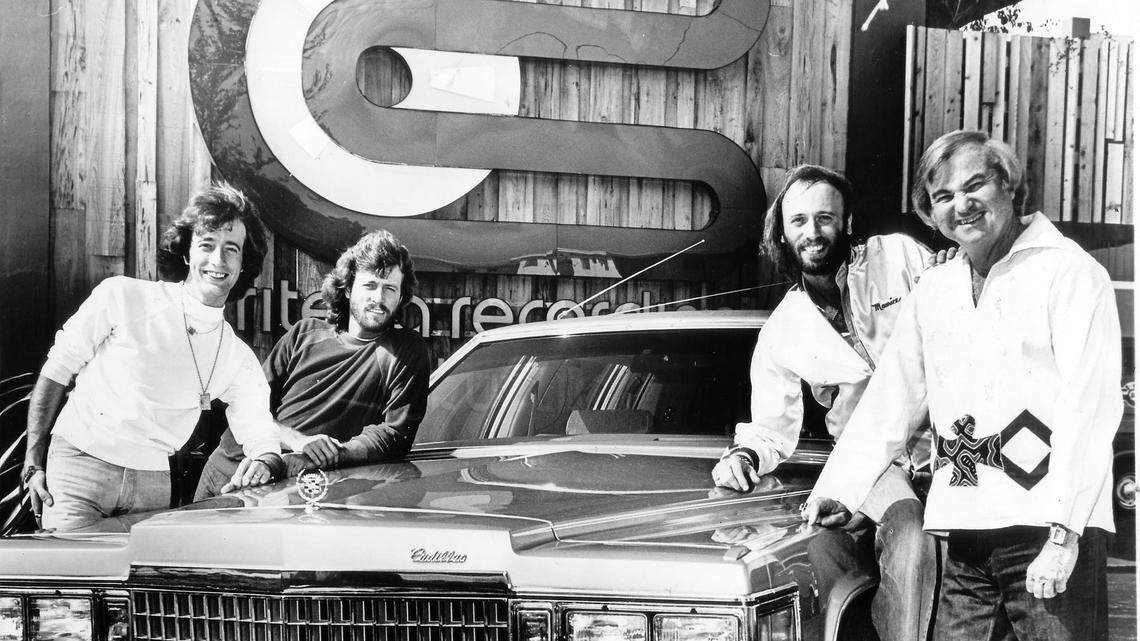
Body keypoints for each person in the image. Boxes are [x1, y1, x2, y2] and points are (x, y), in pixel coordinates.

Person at [804, 130, 1121, 641]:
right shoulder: (935, 289)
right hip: (966, 535)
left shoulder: (1071, 274)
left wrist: (1065, 536)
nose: (962, 205)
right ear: (930, 213)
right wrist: (841, 488)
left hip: (1046, 530)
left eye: (976, 186)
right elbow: (893, 398)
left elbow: (1092, 408)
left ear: (1010, 187)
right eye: (943, 197)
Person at [710, 164, 938, 641]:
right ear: (782, 232)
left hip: (952, 449)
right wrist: (745, 454)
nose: (812, 233)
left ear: (847, 222)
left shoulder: (897, 257)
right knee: (909, 533)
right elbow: (772, 425)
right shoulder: (784, 329)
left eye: (824, 218)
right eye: (798, 222)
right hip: (876, 463)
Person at [22, 182, 285, 533]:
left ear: (243, 264)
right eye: (207, 245)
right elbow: (57, 370)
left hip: (154, 486)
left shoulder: (237, 357)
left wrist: (265, 460)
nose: (218, 260)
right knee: (73, 585)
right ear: (188, 253)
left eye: (231, 249)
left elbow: (261, 434)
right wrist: (33, 460)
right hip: (79, 468)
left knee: (137, 590)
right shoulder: (123, 296)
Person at [194, 229, 431, 499]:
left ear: (401, 297)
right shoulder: (304, 333)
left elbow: (392, 436)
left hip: (281, 487)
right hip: (222, 468)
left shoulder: (405, 351)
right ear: (349, 287)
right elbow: (248, 406)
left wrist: (328, 456)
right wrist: (298, 441)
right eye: (370, 285)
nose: (379, 298)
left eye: (390, 288)